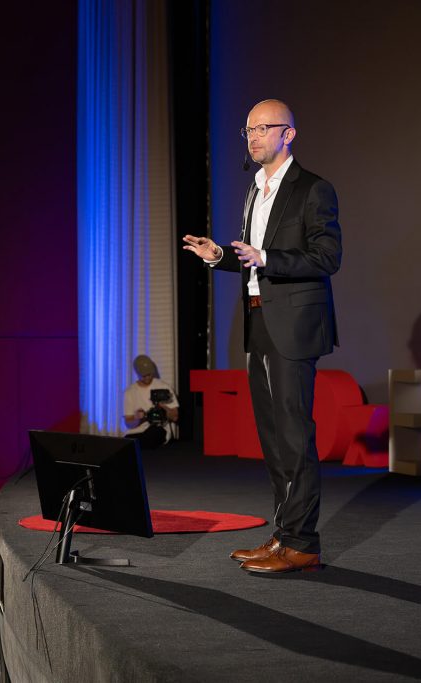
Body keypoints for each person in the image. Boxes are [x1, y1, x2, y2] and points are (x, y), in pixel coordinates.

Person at [182, 99, 342, 573]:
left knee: (295, 436)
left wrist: (268, 258)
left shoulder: (313, 189)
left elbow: (327, 257)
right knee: (272, 439)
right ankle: (283, 535)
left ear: (288, 134)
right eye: (248, 129)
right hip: (259, 322)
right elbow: (251, 257)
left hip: (294, 326)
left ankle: (304, 543)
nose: (253, 137)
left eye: (263, 128)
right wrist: (219, 256)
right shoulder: (255, 189)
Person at [122, 355, 179, 450]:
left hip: (159, 429)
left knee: (154, 433)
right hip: (137, 431)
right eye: (144, 375)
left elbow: (175, 417)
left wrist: (164, 408)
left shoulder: (164, 387)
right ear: (137, 373)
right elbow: (128, 424)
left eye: (150, 374)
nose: (148, 377)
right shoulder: (130, 392)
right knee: (127, 443)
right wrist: (138, 418)